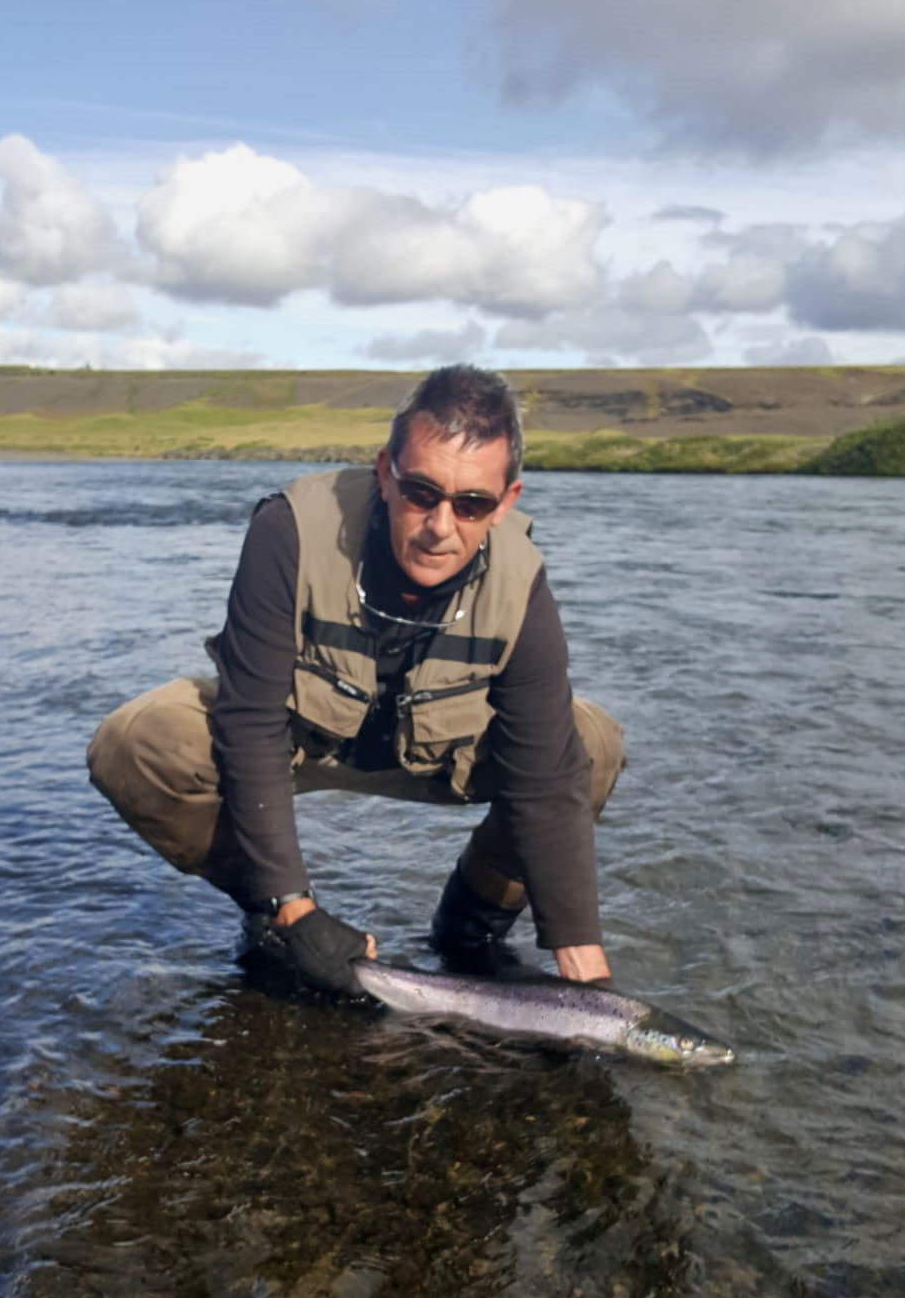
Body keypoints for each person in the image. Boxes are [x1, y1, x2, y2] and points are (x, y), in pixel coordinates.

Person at [87, 364, 624, 995]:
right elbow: (250, 721)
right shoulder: (289, 531)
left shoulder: (521, 581)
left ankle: (470, 930)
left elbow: (546, 777)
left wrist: (586, 971)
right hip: (296, 744)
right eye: (421, 492)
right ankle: (274, 920)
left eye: (472, 504)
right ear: (385, 473)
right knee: (139, 742)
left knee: (588, 746)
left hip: (438, 755)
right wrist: (291, 905)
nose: (441, 526)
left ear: (506, 502)